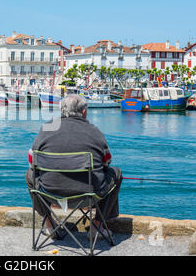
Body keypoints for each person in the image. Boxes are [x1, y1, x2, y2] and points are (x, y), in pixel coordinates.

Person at [26, 94, 123, 239]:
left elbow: (32, 161)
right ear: (84, 112)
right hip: (88, 195)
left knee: (29, 175)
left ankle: (50, 225)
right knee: (116, 173)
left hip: (50, 192)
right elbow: (106, 163)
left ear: (61, 110)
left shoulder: (46, 128)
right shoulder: (94, 132)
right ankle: (97, 226)